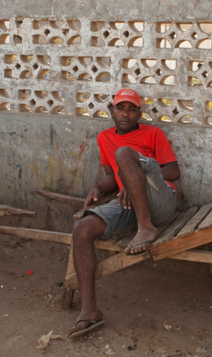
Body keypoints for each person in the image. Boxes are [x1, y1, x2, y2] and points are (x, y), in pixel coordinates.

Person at [68, 89, 181, 337]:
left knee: (125, 154)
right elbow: (111, 176)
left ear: (139, 113)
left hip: (160, 201)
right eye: (121, 108)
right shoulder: (104, 138)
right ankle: (89, 311)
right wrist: (99, 187)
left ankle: (146, 229)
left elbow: (173, 172)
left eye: (132, 109)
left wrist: (136, 179)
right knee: (82, 229)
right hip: (129, 204)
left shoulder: (153, 133)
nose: (126, 114)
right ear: (111, 111)